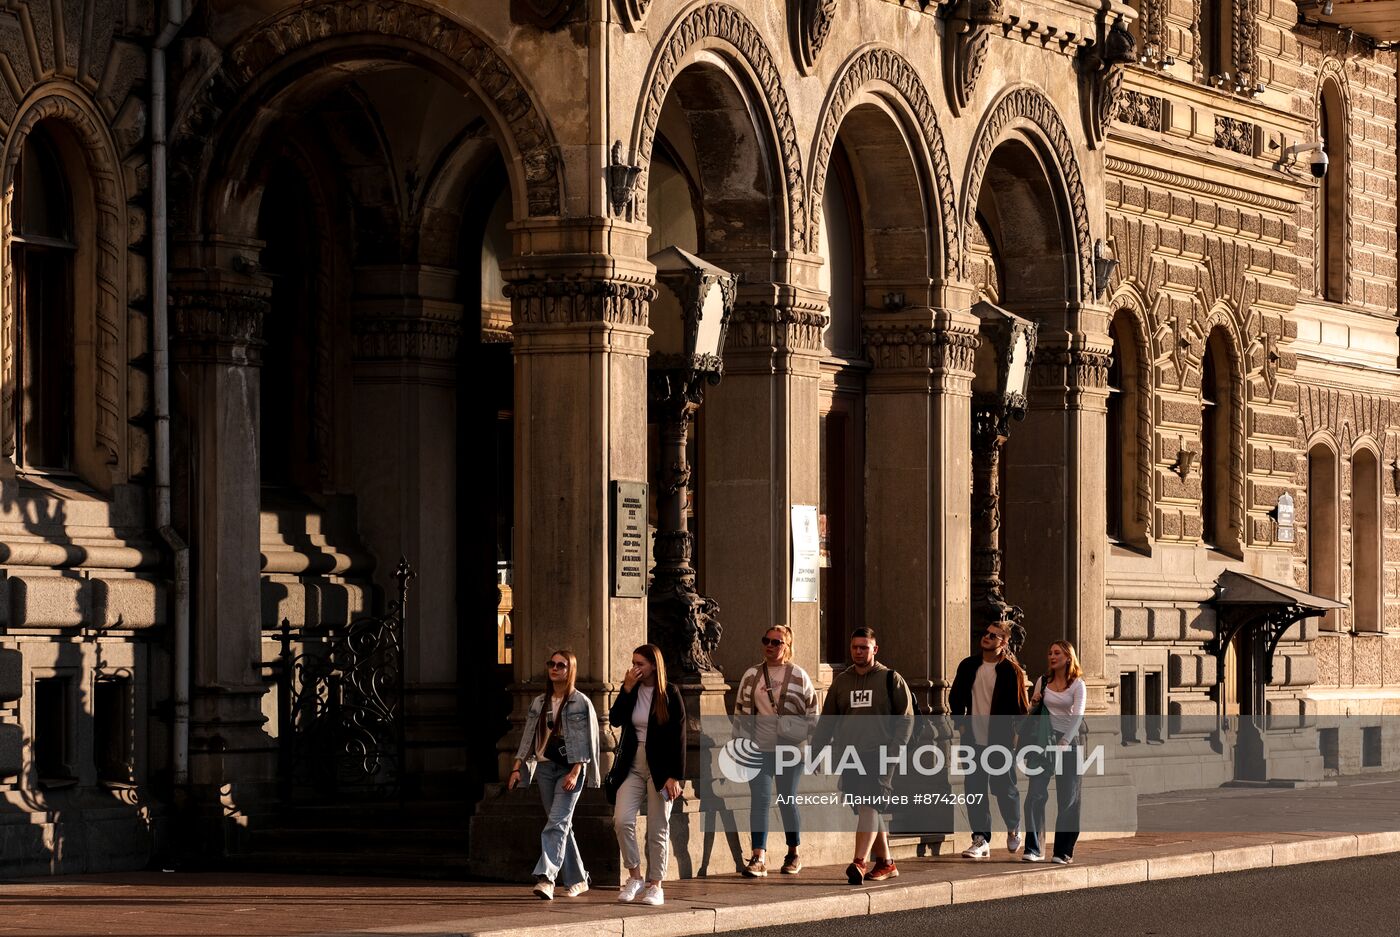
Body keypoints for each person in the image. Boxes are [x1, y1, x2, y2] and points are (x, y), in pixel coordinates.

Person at [812, 627, 914, 885]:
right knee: (868, 808)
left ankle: (859, 861)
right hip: (850, 756)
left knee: (870, 803)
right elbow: (828, 720)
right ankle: (886, 863)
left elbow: (905, 720)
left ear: (874, 649)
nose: (858, 652)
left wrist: (894, 752)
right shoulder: (842, 681)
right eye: (855, 647)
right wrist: (816, 750)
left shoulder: (890, 678)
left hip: (881, 754)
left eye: (864, 647)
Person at [508, 649, 601, 900]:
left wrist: (576, 771)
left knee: (556, 823)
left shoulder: (581, 701)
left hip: (570, 770)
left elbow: (588, 740)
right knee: (560, 824)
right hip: (545, 768)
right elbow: (528, 737)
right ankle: (579, 879)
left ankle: (546, 878)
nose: (555, 669)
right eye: (552, 664)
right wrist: (517, 767)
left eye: (561, 665)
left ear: (570, 670)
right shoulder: (539, 702)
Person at [732, 624, 818, 877]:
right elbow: (740, 713)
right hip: (758, 749)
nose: (770, 646)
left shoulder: (799, 675)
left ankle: (793, 853)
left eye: (776, 642)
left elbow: (813, 713)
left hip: (790, 751)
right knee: (759, 801)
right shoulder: (752, 675)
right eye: (766, 641)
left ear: (787, 646)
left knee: (786, 799)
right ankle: (758, 857)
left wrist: (811, 747)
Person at [608, 644, 686, 906]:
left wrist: (675, 776)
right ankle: (635, 876)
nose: (634, 668)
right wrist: (626, 688)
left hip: (661, 770)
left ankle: (656, 885)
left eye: (640, 663)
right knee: (622, 819)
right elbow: (615, 719)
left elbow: (679, 738)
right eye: (633, 663)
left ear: (654, 665)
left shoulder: (670, 693)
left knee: (657, 827)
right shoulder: (632, 690)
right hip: (632, 765)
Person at [949, 620, 1030, 858]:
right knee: (974, 787)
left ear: (1004, 643)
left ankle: (1014, 828)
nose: (987, 637)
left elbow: (1021, 709)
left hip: (1001, 739)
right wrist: (961, 725)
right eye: (987, 633)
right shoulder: (968, 665)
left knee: (1004, 788)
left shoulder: (1011, 671)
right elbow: (956, 698)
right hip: (973, 737)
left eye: (994, 636)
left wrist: (1015, 738)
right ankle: (980, 839)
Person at [1022, 640, 1086, 864]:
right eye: (1050, 652)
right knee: (1035, 795)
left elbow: (1077, 716)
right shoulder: (1043, 681)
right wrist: (1035, 701)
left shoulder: (1078, 685)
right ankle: (1034, 848)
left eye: (1057, 653)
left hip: (1070, 744)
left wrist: (1065, 740)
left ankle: (1063, 851)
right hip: (1043, 742)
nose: (1052, 656)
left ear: (1068, 657)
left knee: (1068, 799)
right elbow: (1032, 712)